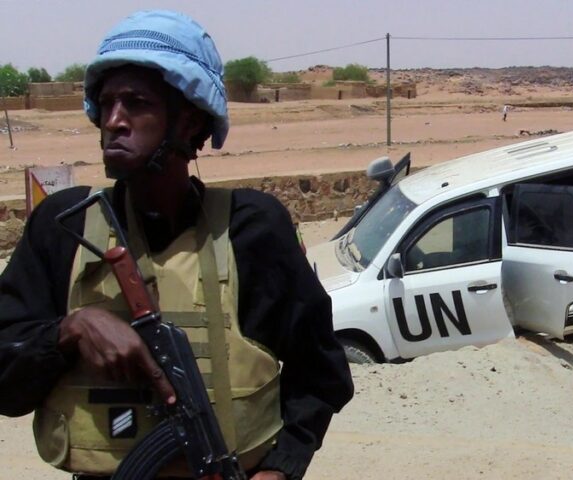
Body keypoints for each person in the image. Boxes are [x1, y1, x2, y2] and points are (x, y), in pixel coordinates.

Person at [0, 10, 353, 480]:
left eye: (136, 103)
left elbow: (321, 372)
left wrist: (282, 467)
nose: (114, 121)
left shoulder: (252, 230)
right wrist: (72, 330)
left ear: (189, 120)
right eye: (106, 105)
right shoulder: (64, 229)